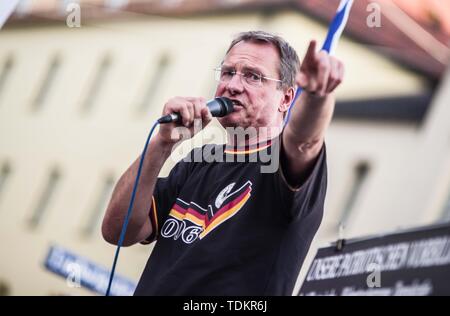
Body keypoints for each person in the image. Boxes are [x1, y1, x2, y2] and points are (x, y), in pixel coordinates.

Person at [102, 31, 344, 295]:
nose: (233, 85)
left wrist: (316, 95)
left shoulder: (281, 162)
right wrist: (162, 144)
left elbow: (303, 141)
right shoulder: (198, 160)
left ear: (286, 99)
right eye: (228, 73)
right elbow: (118, 230)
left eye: (253, 76)